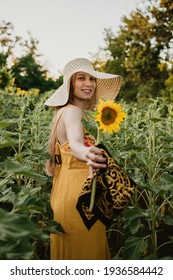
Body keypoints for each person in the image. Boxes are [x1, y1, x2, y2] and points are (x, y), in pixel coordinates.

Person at [44, 58, 122, 260]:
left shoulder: (63, 112)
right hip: (80, 197)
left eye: (92, 79)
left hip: (65, 193)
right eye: (81, 78)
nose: (89, 83)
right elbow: (75, 144)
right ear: (70, 84)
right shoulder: (73, 111)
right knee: (86, 257)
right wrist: (87, 153)